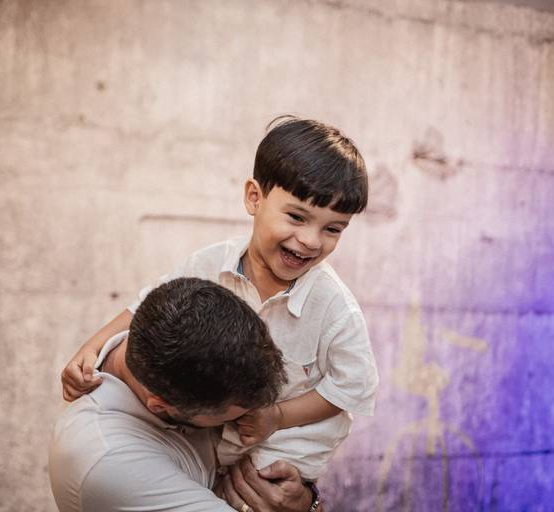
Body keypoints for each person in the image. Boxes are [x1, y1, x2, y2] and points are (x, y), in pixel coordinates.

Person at [62, 116, 379, 480]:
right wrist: (90, 348)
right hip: (211, 439)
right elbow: (146, 305)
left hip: (280, 447)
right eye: (296, 217)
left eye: (333, 229)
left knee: (254, 494)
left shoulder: (335, 308)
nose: (311, 240)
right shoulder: (210, 263)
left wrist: (278, 416)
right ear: (254, 198)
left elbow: (352, 387)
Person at [49, 277, 320, 512]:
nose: (255, 418)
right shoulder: (113, 463)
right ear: (160, 406)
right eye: (234, 418)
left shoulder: (171, 329)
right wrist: (306, 506)